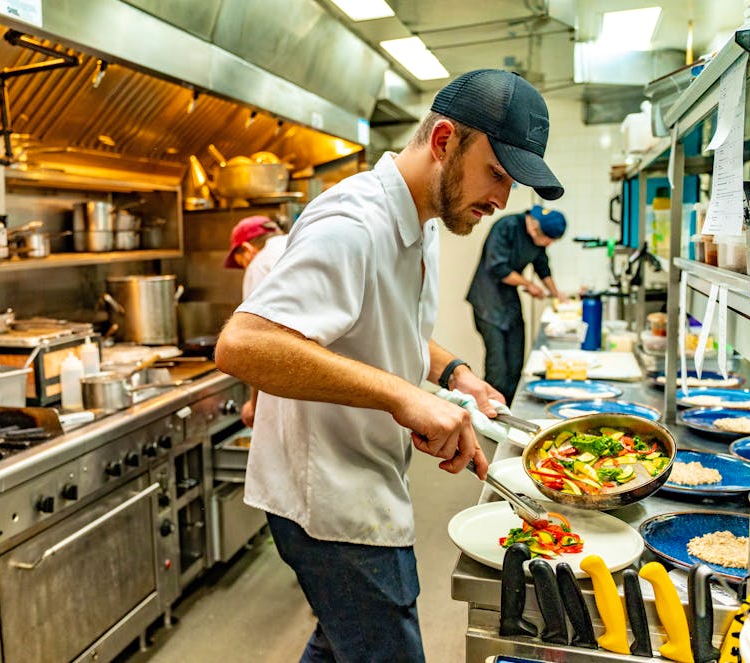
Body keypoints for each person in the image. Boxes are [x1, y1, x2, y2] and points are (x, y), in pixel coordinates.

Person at [215, 69, 563, 662]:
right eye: (497, 175)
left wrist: (456, 376)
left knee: (339, 641)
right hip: (331, 502)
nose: (501, 201)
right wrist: (405, 398)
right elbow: (245, 344)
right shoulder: (354, 223)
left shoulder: (421, 217)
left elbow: (389, 326)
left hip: (366, 475)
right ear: (445, 140)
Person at [467, 204, 566, 403]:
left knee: (515, 364)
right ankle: (490, 420)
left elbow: (542, 267)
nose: (549, 244)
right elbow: (497, 267)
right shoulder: (507, 227)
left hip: (509, 302)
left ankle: (509, 414)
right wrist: (528, 284)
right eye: (549, 239)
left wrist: (557, 295)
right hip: (487, 302)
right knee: (498, 371)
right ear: (534, 228)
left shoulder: (538, 241)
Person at [223, 215, 288, 426]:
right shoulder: (296, 243)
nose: (244, 268)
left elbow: (257, 341)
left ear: (247, 249)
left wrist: (254, 404)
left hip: (286, 378)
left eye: (240, 263)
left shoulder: (260, 264)